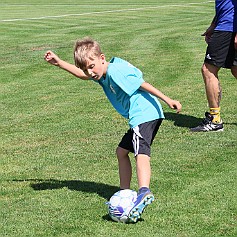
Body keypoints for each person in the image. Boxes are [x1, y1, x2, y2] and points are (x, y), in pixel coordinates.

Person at [44, 37, 182, 223]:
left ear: (102, 58)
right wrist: (59, 63)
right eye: (87, 68)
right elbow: (81, 74)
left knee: (141, 152)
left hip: (144, 113)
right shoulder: (101, 73)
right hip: (142, 115)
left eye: (91, 66)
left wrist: (168, 100)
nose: (90, 72)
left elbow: (142, 84)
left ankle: (143, 191)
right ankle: (125, 192)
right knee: (121, 152)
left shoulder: (115, 71)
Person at [191, 0, 237, 132]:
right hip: (225, 26)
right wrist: (213, 24)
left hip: (227, 28)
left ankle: (215, 120)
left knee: (208, 70)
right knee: (235, 70)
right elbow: (224, 5)